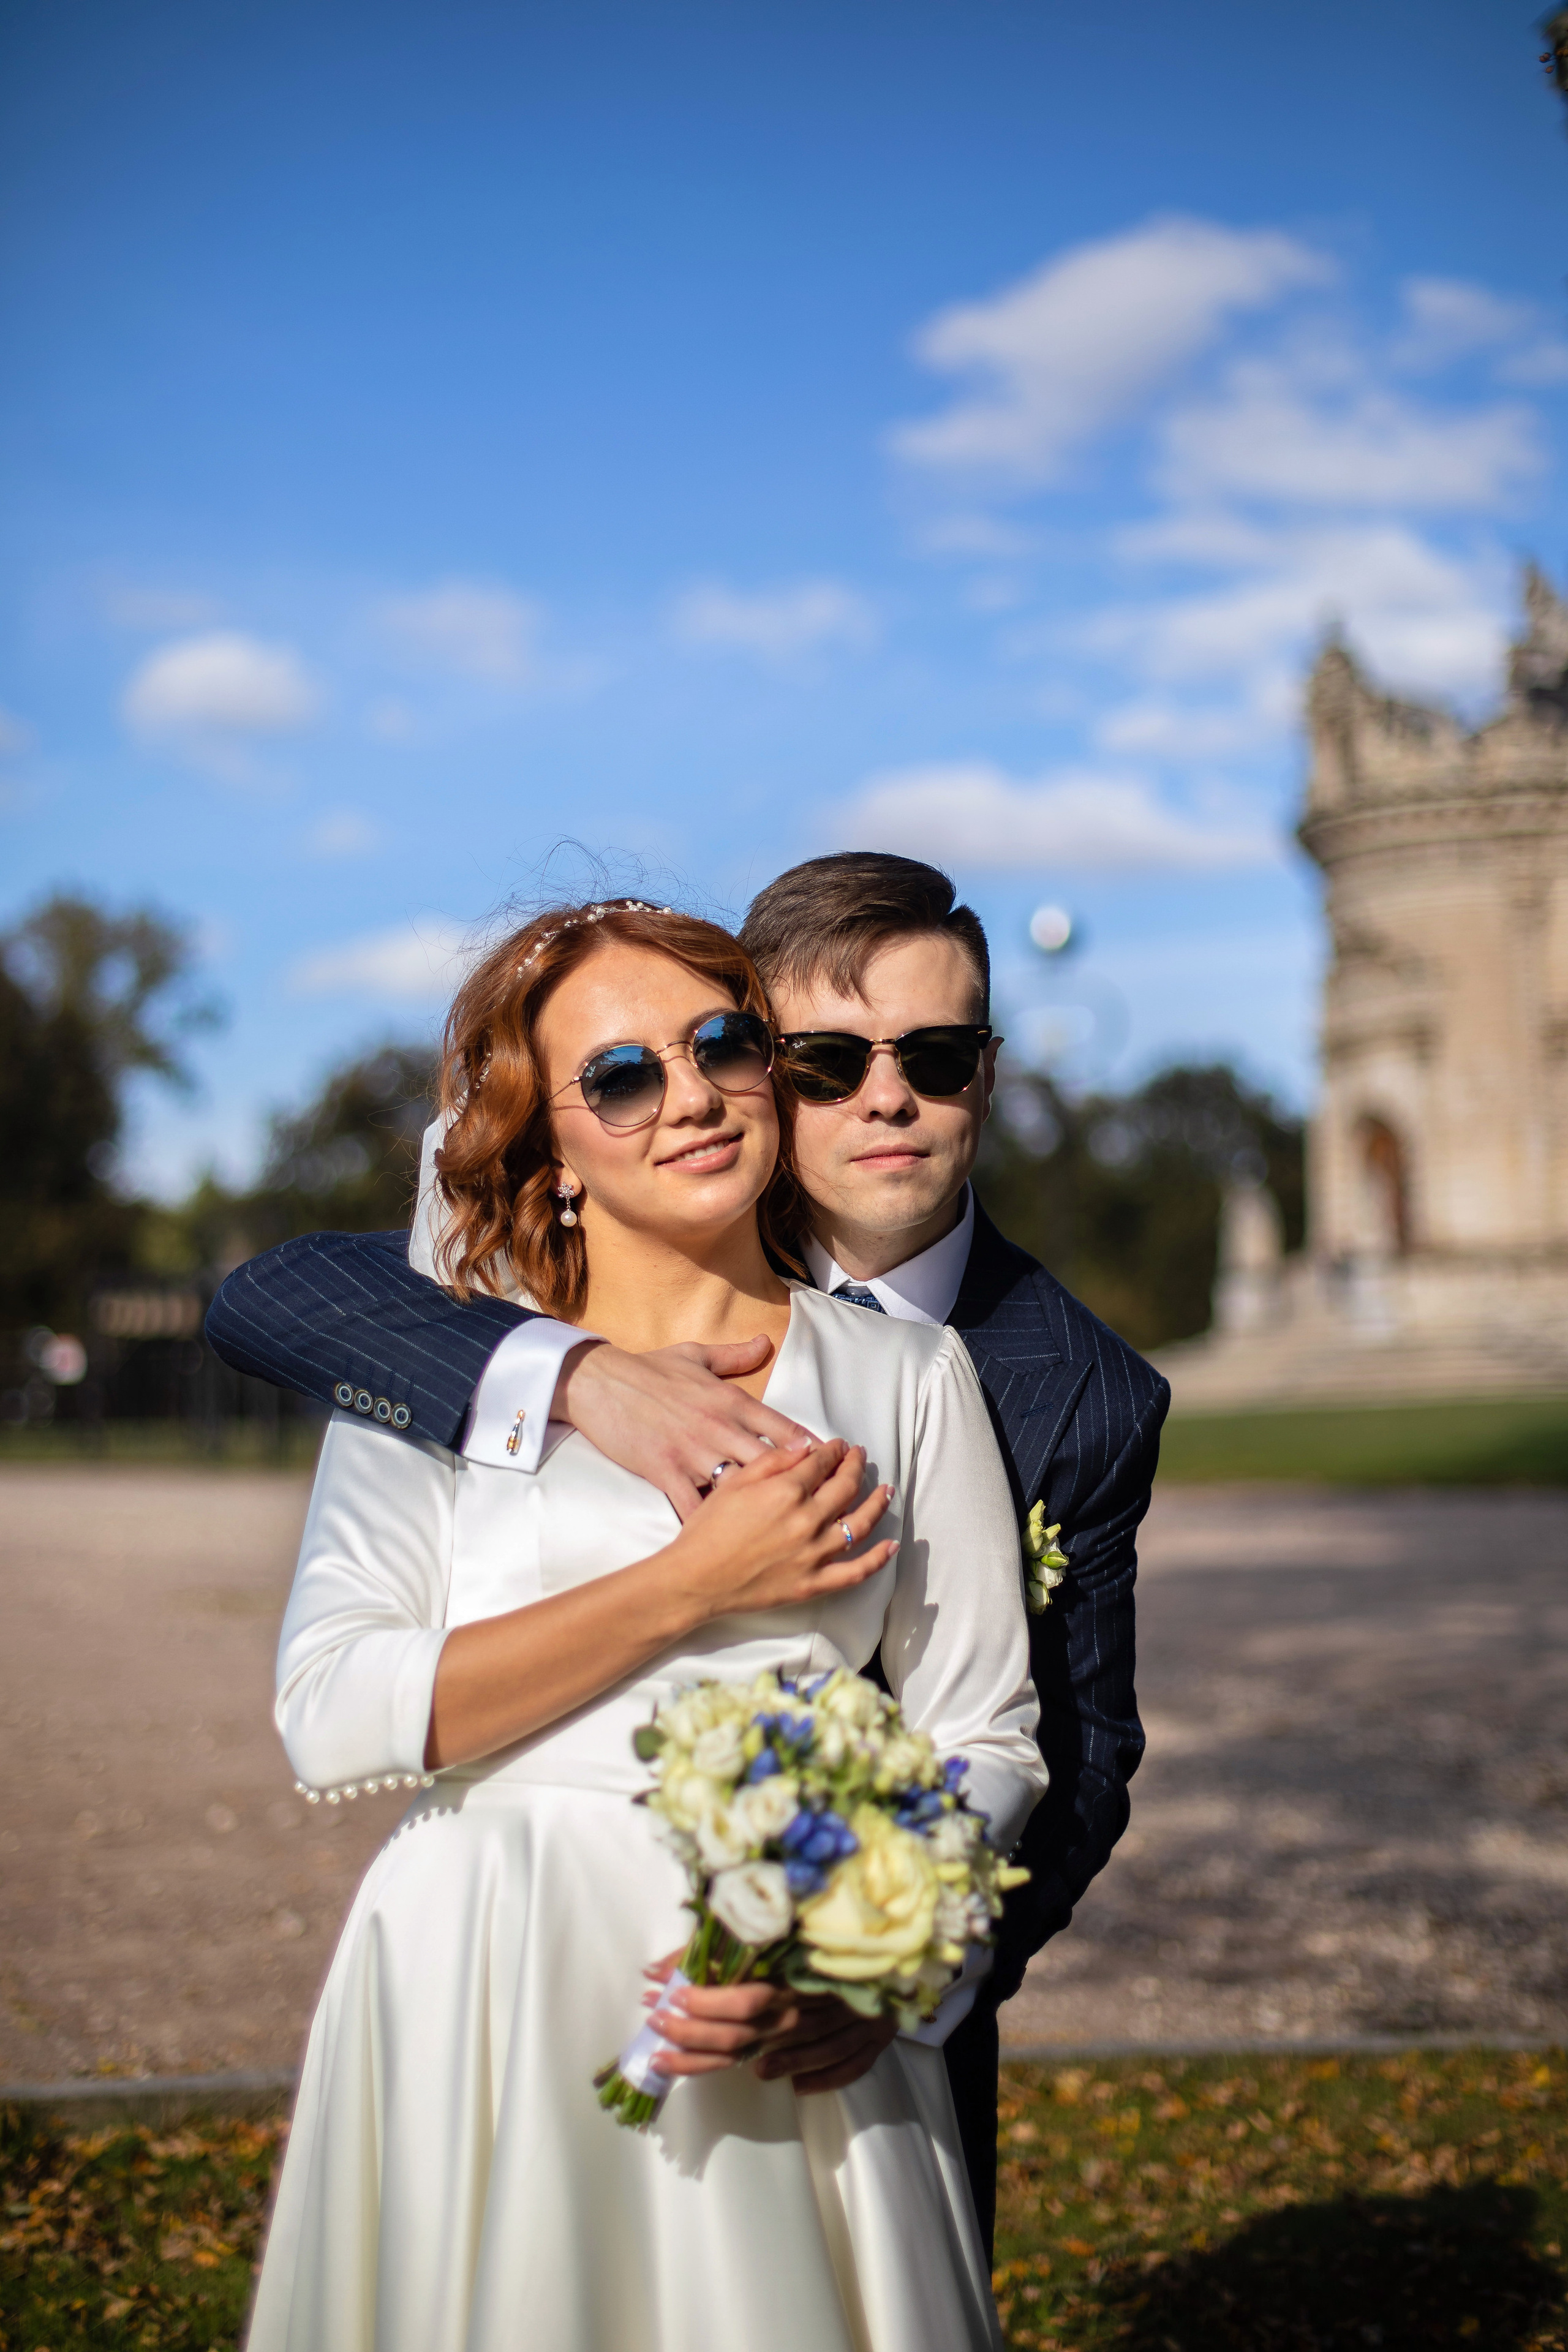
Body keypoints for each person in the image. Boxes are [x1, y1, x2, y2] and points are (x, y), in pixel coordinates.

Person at [208, 853, 1168, 2257]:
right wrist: (577, 1377)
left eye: (938, 1055)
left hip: (820, 2010)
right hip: (492, 1961)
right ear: (555, 1140)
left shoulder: (1007, 1385)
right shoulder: (465, 1361)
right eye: (823, 1059)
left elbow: (1046, 1753)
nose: (885, 1097)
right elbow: (328, 1685)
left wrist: (875, 1970)